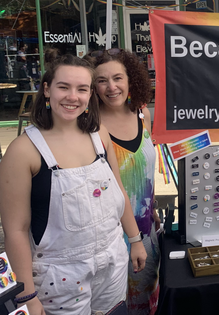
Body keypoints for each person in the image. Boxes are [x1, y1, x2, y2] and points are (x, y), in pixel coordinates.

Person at [0, 53, 147, 315]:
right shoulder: (23, 151)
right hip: (59, 277)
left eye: (82, 89)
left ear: (90, 94)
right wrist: (28, 296)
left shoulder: (99, 133)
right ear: (47, 89)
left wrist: (135, 239)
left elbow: (118, 190)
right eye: (63, 87)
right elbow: (16, 230)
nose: (73, 97)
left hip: (112, 261)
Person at [87, 48, 161, 315]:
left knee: (146, 303)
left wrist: (151, 208)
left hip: (146, 232)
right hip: (111, 239)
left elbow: (145, 170)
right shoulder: (90, 127)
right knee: (115, 306)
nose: (111, 87)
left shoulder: (143, 115)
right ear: (92, 86)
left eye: (118, 78)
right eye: (101, 80)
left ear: (131, 80)